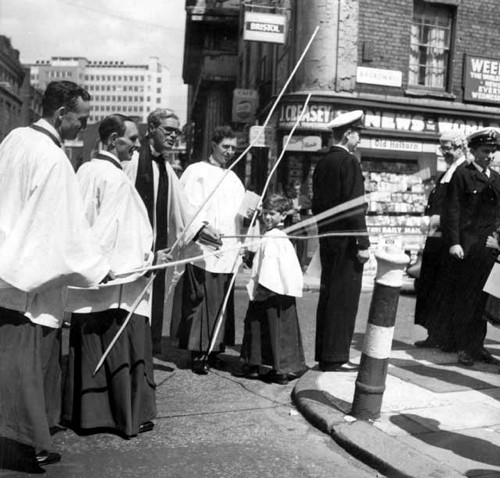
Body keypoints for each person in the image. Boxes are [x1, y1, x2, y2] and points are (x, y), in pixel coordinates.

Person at [0, 81, 109, 472]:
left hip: (4, 265)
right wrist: (99, 267)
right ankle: (27, 443)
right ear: (61, 114)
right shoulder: (54, 159)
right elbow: (64, 230)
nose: (85, 125)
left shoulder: (14, 138)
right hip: (31, 277)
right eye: (81, 118)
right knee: (30, 366)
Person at [63, 114, 171, 438]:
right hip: (117, 281)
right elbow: (114, 232)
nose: (137, 146)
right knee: (122, 346)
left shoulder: (84, 170)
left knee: (90, 346)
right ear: (113, 141)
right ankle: (124, 413)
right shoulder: (115, 179)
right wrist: (147, 258)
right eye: (132, 139)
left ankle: (84, 413)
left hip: (93, 278)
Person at [171, 126, 246, 374]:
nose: (230, 152)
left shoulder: (234, 178)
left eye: (234, 148)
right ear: (213, 144)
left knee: (221, 301)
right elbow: (187, 206)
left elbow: (239, 213)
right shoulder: (196, 172)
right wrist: (202, 229)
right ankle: (197, 353)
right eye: (226, 146)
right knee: (200, 299)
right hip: (203, 248)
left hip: (228, 248)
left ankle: (214, 349)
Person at [124, 108, 187, 355]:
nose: (174, 137)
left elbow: (183, 210)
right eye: (168, 130)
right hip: (134, 253)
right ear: (151, 129)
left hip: (156, 253)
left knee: (149, 308)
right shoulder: (133, 163)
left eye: (177, 132)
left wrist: (202, 231)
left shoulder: (167, 168)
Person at [312, 110, 370, 372]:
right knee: (344, 298)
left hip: (328, 238)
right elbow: (354, 207)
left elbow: (316, 205)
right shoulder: (349, 162)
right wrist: (363, 243)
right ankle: (337, 357)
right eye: (358, 133)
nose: (359, 139)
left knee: (328, 293)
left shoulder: (323, 163)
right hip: (347, 240)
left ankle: (325, 354)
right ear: (348, 134)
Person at [441, 127, 500, 366]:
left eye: (493, 151)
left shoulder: (496, 178)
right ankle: (464, 347)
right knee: (467, 298)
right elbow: (452, 212)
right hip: (467, 245)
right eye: (486, 151)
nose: (490, 155)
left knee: (483, 301)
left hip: (489, 247)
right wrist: (454, 242)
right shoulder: (462, 175)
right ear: (473, 151)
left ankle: (478, 346)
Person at [238, 194, 306, 385]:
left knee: (261, 326)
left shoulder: (272, 236)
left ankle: (266, 367)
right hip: (280, 290)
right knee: (278, 329)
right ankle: (277, 367)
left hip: (269, 290)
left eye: (272, 214)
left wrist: (263, 287)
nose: (268, 218)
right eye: (265, 214)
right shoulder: (279, 236)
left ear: (282, 216)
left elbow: (269, 264)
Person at [414, 130, 467, 349]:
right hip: (435, 239)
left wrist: (438, 218)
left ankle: (447, 337)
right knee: (432, 287)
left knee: (445, 289)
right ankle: (434, 334)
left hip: (449, 240)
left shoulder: (464, 172)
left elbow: (463, 210)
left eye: (448, 148)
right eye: (442, 148)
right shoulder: (447, 172)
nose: (444, 153)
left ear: (460, 146)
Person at [284, 179, 312, 270]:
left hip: (301, 227)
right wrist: (290, 212)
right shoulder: (287, 199)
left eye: (298, 189)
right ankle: (289, 267)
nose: (297, 191)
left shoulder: (303, 198)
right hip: (291, 226)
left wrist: (301, 207)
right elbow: (283, 211)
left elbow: (310, 204)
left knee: (301, 248)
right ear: (291, 189)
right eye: (295, 189)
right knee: (290, 248)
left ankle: (300, 267)